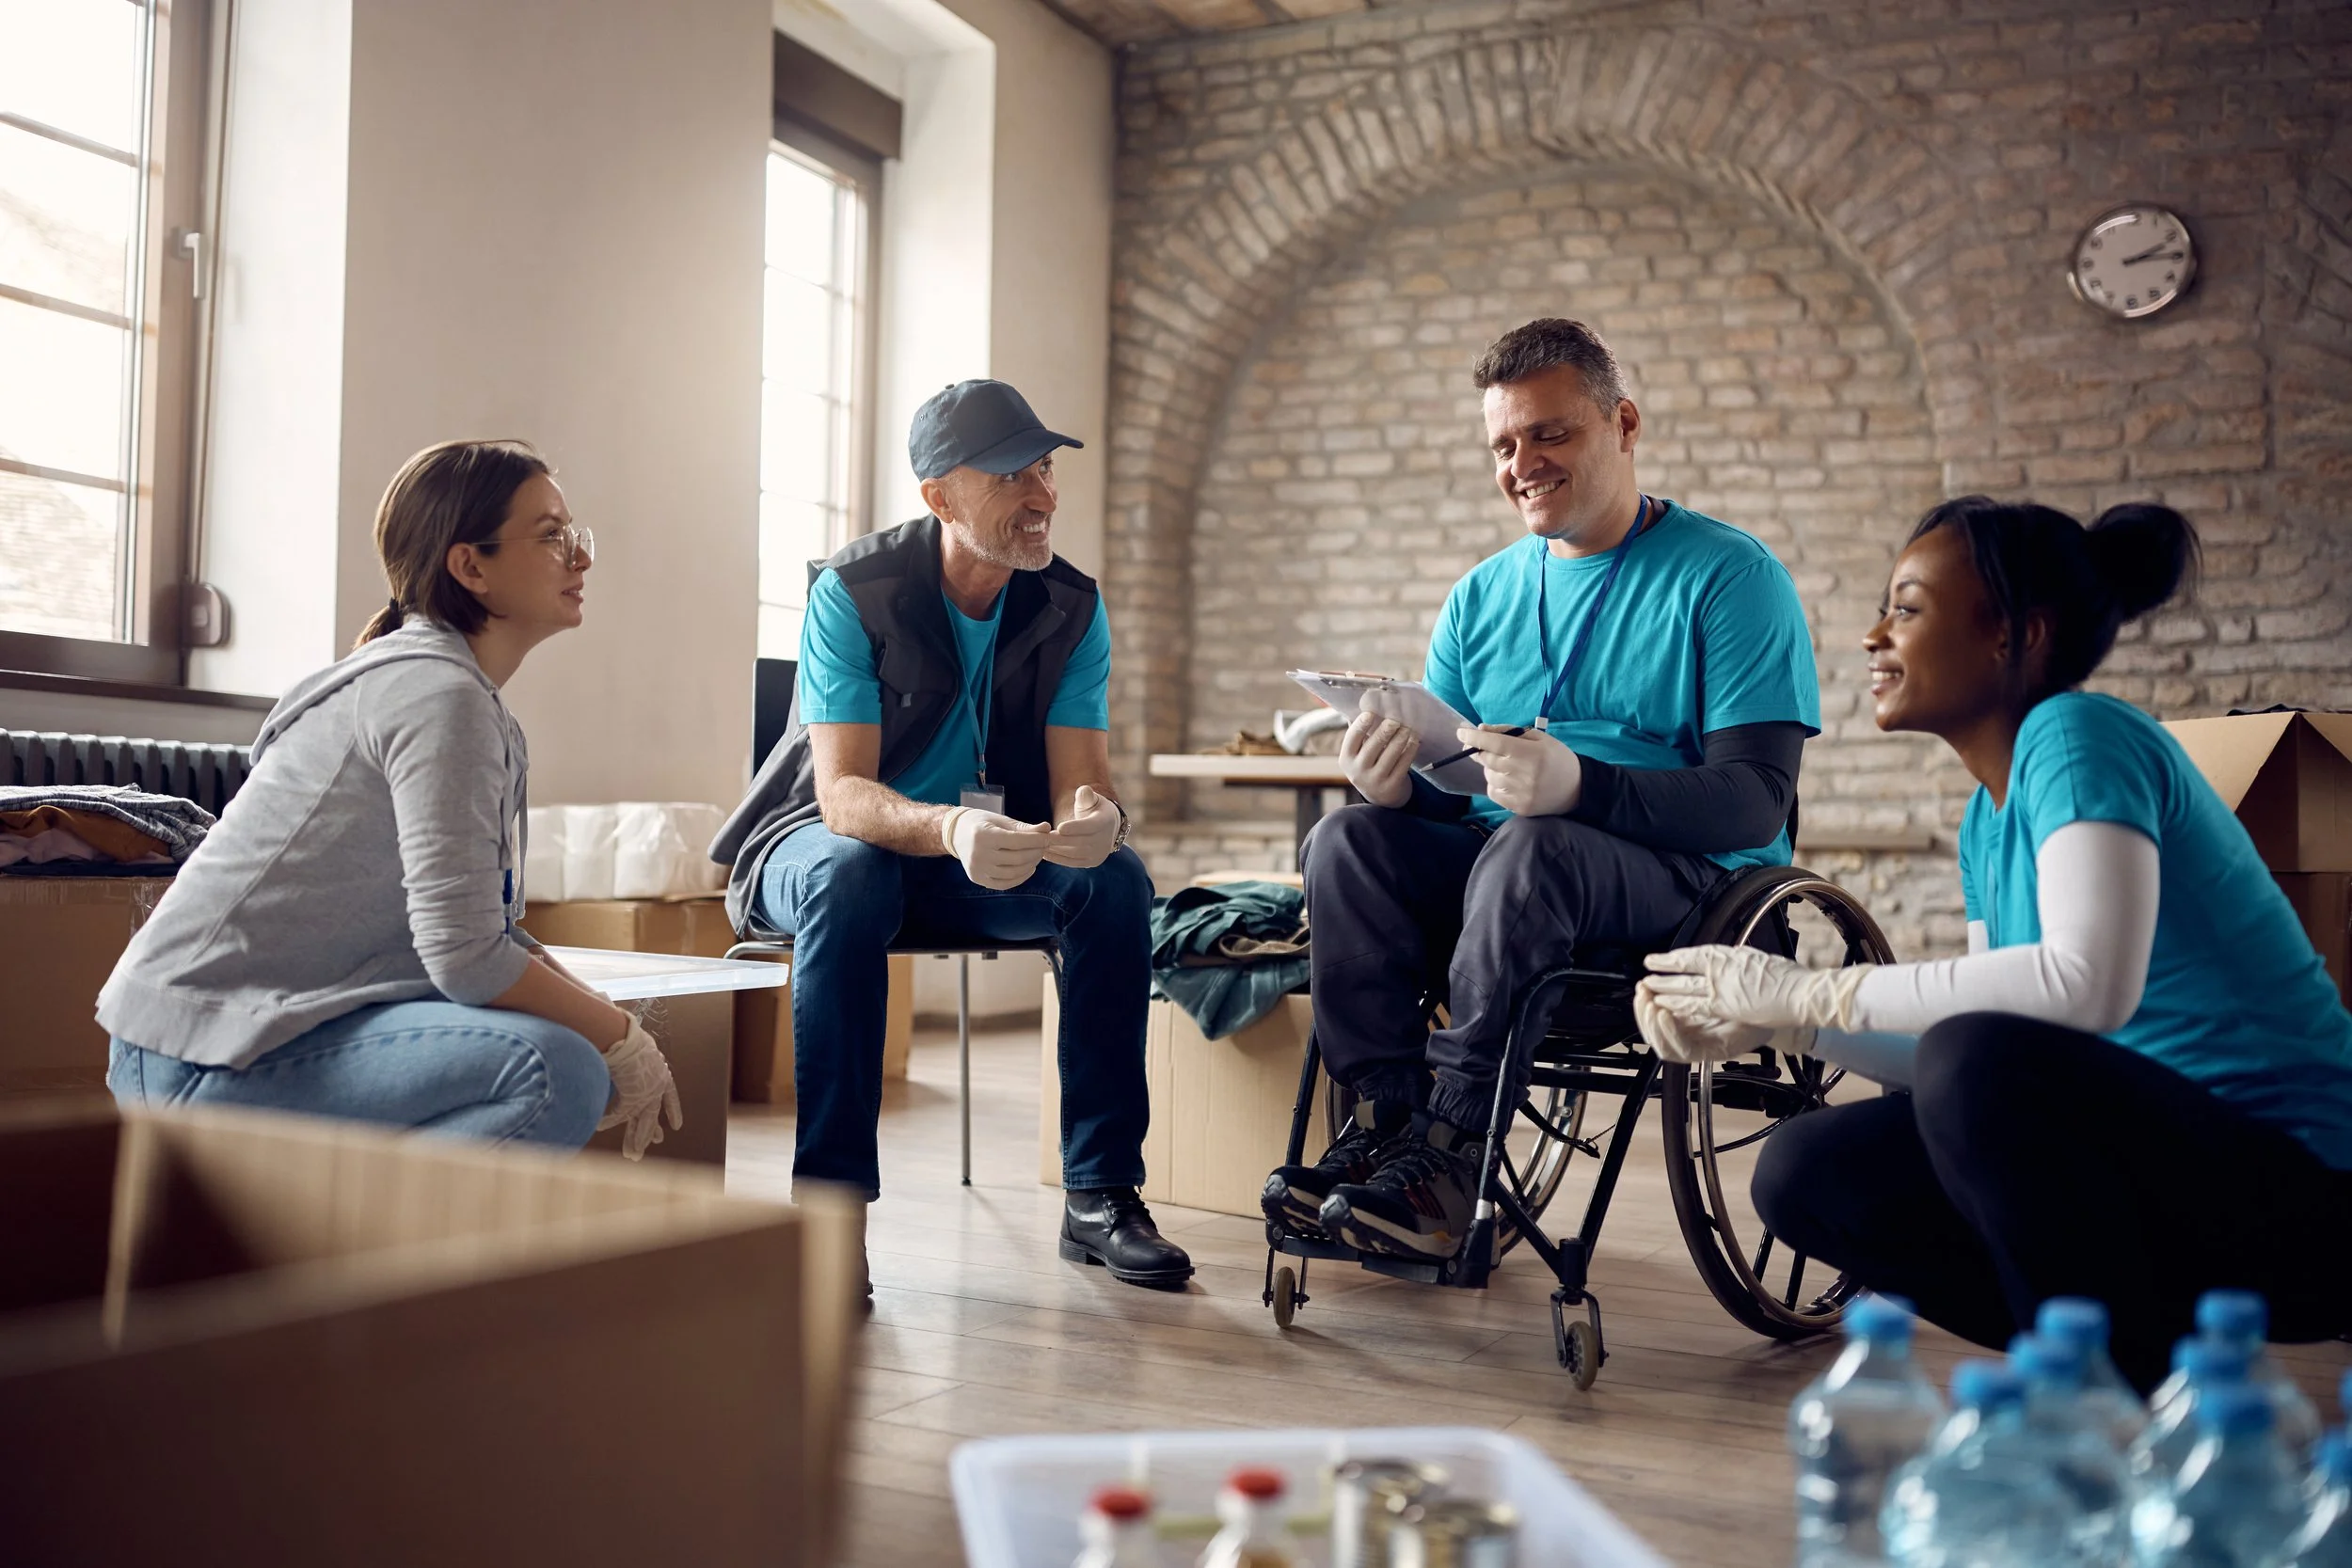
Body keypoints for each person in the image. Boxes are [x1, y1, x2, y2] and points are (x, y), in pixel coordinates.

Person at [1637, 496, 2352, 1389]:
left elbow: (2084, 987)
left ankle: (2101, 1399)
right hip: (2164, 1178)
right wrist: (1784, 1027)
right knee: (1803, 1172)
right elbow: (1964, 1035)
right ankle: (2134, 1361)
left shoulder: (2079, 735)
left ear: (2015, 636)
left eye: (1906, 607)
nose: (1873, 635)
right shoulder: (1988, 814)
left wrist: (1808, 991)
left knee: (1979, 1060)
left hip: (2301, 1191)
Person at [1259, 318, 1820, 1263]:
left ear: (1622, 423)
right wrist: (1394, 788)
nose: (1522, 461)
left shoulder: (1729, 576)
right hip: (1508, 886)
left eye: (1548, 433)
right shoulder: (1482, 595)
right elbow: (1451, 801)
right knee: (1344, 841)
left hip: (1686, 887)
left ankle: (1453, 1149)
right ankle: (1388, 1123)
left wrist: (1582, 785)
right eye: (1503, 444)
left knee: (1532, 844)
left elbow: (1754, 799)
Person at [709, 379, 1191, 1290]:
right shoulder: (854, 591)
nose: (1043, 495)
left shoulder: (1071, 606)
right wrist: (951, 822)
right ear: (937, 496)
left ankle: (1099, 1193)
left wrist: (1097, 821)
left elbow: (1080, 778)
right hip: (815, 847)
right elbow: (844, 795)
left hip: (973, 860)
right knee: (854, 874)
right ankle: (829, 1212)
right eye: (1013, 475)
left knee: (1115, 882)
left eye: (1044, 468)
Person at [100, 440, 680, 1157]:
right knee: (553, 1067)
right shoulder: (438, 696)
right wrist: (617, 1039)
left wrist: (618, 1025)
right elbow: (467, 957)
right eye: (551, 535)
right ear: (471, 567)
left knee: (573, 1037)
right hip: (197, 1058)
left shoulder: (453, 693)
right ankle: (342, 1256)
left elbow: (492, 934)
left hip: (247, 1038)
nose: (580, 556)